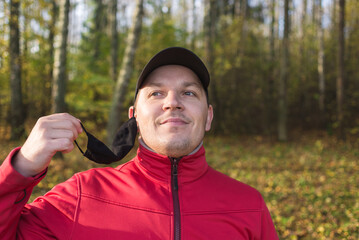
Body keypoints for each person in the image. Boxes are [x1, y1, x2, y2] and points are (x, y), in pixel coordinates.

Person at [0, 47, 278, 239]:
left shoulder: (248, 205)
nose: (172, 103)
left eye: (189, 93)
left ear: (208, 117)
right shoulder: (81, 196)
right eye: (157, 93)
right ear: (134, 118)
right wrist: (20, 168)